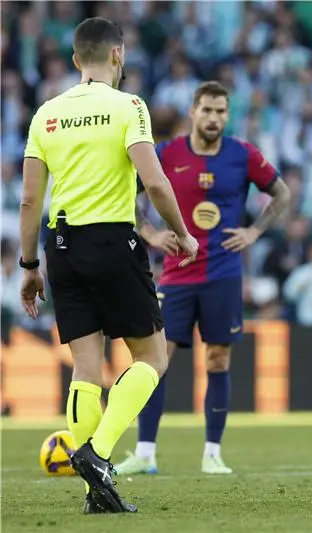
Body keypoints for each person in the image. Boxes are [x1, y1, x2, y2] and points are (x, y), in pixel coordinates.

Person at [19, 17, 198, 514]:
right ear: (118, 56)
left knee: (86, 367)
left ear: (76, 60)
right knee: (153, 359)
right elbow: (156, 182)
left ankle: (93, 493)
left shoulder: (46, 114)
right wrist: (182, 234)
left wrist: (29, 265)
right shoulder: (128, 107)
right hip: (112, 241)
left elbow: (29, 200)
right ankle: (97, 455)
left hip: (60, 247)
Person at [115, 81, 290, 476]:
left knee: (218, 357)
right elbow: (125, 192)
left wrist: (255, 231)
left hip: (223, 275)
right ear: (193, 111)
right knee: (155, 362)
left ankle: (212, 452)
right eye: (207, 110)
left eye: (220, 111)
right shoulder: (167, 153)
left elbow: (282, 194)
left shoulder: (243, 155)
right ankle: (145, 453)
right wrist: (151, 233)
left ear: (228, 115)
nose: (213, 118)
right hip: (176, 276)